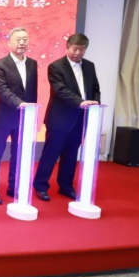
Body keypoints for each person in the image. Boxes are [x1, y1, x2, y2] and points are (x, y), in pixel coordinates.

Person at [33, 33, 101, 201]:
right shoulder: (56, 67)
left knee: (71, 155)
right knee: (51, 154)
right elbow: (60, 90)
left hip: (81, 119)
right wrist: (81, 102)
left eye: (82, 49)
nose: (78, 53)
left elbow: (95, 88)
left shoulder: (89, 66)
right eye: (75, 49)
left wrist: (95, 103)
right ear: (67, 47)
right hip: (59, 119)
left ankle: (65, 186)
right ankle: (40, 186)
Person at [0, 27, 38, 205]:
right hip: (3, 117)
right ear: (9, 43)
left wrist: (31, 113)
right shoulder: (0, 65)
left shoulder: (32, 64)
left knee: (18, 154)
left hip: (24, 119)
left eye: (25, 39)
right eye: (18, 39)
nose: (22, 43)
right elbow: (1, 89)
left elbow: (32, 92)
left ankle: (13, 185)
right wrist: (20, 104)